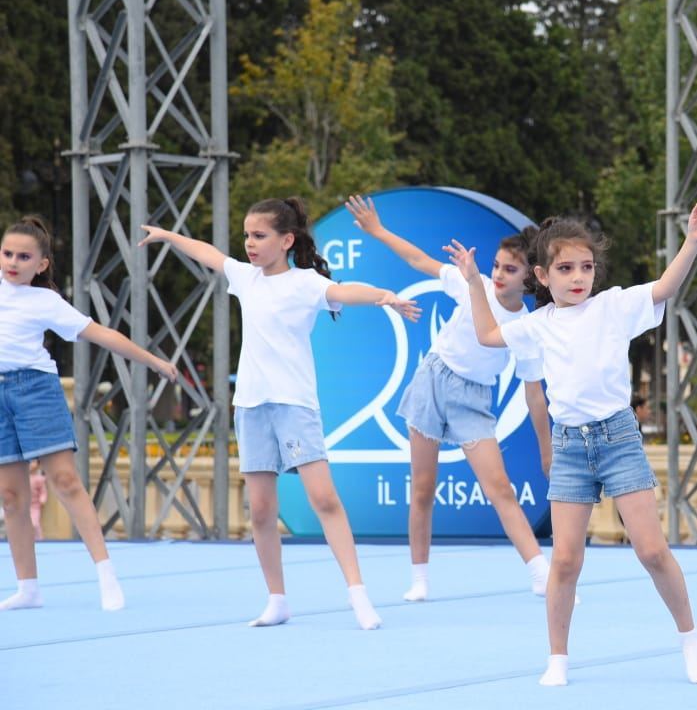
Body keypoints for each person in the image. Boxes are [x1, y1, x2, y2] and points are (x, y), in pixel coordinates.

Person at [449, 199, 697, 686]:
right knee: (566, 559)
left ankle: (690, 637)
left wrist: (693, 241)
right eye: (566, 268)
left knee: (652, 550)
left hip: (618, 439)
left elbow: (665, 287)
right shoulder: (538, 326)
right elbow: (487, 334)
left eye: (586, 267)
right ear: (543, 275)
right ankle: (558, 658)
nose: (579, 276)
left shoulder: (614, 305)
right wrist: (472, 279)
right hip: (571, 447)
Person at [140, 197, 421, 629]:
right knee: (260, 511)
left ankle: (358, 596)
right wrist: (166, 236)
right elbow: (207, 253)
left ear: (286, 240)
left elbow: (345, 291)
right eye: (247, 236)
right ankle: (277, 599)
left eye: (260, 236)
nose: (250, 244)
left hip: (294, 405)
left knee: (324, 499)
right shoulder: (244, 277)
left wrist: (386, 297)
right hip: (250, 406)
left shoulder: (305, 283)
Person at [344, 194, 553, 602]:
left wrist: (547, 451)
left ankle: (540, 572)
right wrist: (377, 230)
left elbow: (535, 397)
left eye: (510, 270)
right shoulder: (472, 283)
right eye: (496, 265)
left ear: (530, 278)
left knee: (501, 489)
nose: (498, 274)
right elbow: (420, 261)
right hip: (431, 381)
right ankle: (419, 578)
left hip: (473, 400)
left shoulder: (527, 328)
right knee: (422, 488)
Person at [1, 216, 177, 612]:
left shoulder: (45, 301)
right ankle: (28, 587)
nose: (13, 261)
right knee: (11, 496)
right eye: (7, 253)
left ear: (42, 264)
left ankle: (105, 574)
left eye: (24, 256)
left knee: (64, 480)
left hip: (35, 389)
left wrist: (153, 361)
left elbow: (103, 334)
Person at [28, 460, 47, 541]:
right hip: (23, 505)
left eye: (33, 462)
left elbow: (43, 491)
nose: (31, 464)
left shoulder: (39, 479)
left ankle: (39, 539)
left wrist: (42, 499)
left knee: (34, 523)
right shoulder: (21, 477)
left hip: (35, 506)